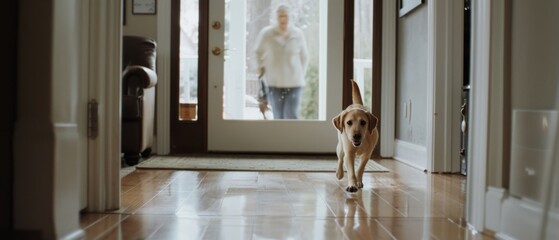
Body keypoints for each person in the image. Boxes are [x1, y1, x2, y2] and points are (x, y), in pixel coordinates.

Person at [254, 4, 309, 119]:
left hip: (294, 83)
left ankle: (292, 137)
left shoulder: (297, 34)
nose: (283, 19)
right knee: (278, 116)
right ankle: (279, 137)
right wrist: (260, 66)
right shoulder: (267, 33)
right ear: (276, 18)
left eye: (285, 16)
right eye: (280, 16)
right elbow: (258, 52)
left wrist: (300, 74)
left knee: (291, 115)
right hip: (274, 83)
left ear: (290, 17)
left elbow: (304, 57)